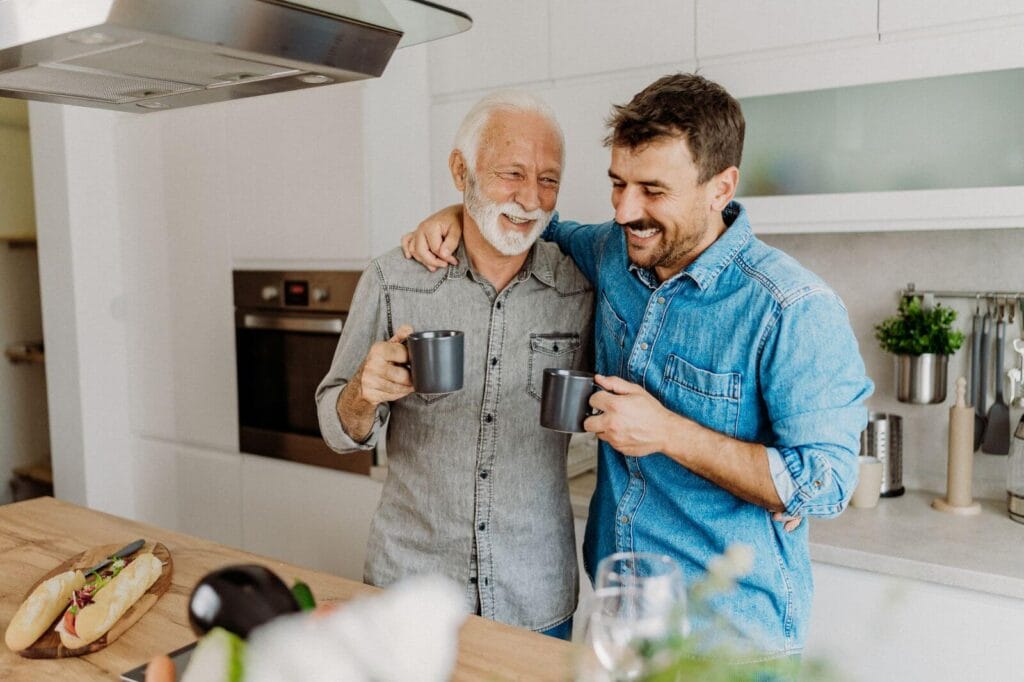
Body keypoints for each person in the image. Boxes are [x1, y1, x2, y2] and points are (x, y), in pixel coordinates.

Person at [401, 73, 873, 658]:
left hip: (730, 642)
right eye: (617, 184)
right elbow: (530, 221)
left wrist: (667, 433)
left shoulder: (790, 308)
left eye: (652, 190)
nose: (626, 210)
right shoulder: (614, 253)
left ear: (719, 187)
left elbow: (825, 486)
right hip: (618, 621)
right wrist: (456, 209)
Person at [315, 90, 594, 640]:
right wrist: (363, 395)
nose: (531, 199)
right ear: (460, 169)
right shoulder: (394, 279)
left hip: (535, 597)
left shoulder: (580, 287)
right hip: (408, 591)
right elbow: (334, 426)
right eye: (511, 173)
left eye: (548, 179)